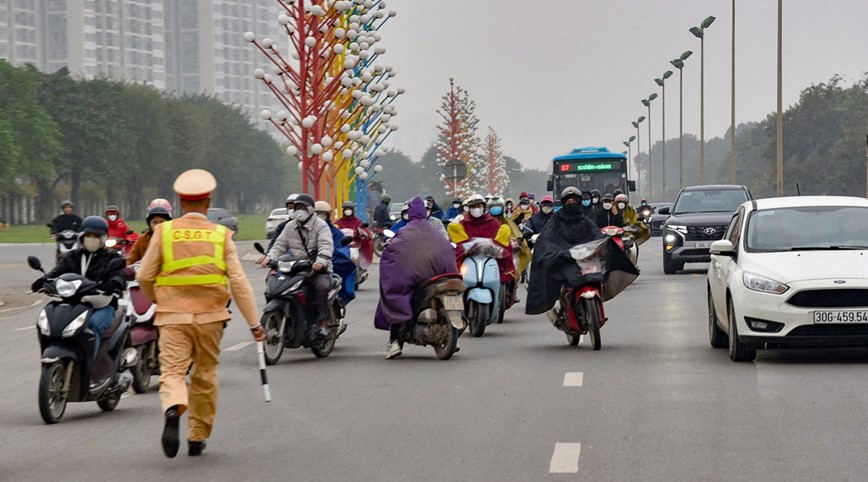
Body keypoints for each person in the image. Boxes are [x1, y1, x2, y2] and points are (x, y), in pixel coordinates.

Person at [137, 169, 264, 458]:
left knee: (172, 372)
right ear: (207, 203)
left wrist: (161, 299)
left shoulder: (163, 232)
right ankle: (197, 436)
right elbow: (239, 284)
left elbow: (145, 275)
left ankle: (173, 406)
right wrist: (254, 323)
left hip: (172, 318)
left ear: (181, 204)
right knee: (205, 374)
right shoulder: (221, 236)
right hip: (210, 318)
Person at [526, 187, 638, 315]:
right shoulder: (556, 220)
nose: (571, 204)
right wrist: (556, 252)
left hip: (584, 258)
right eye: (568, 202)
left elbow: (595, 233)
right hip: (565, 259)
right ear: (563, 203)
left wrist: (603, 242)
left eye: (574, 201)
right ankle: (564, 307)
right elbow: (546, 238)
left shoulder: (584, 219)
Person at [375, 197, 458, 359]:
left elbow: (393, 250)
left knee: (396, 296)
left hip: (416, 278)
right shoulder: (431, 229)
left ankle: (394, 342)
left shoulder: (408, 230)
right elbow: (446, 247)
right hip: (440, 275)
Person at [32, 216, 126, 355]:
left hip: (102, 305)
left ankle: (91, 366)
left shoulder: (112, 257)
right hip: (74, 304)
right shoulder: (72, 256)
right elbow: (57, 272)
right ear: (81, 237)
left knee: (93, 324)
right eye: (88, 235)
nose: (91, 239)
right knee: (48, 321)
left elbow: (120, 275)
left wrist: (113, 283)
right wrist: (43, 280)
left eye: (96, 236)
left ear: (103, 238)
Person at [262, 194, 334, 342]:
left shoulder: (321, 225)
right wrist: (268, 258)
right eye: (296, 208)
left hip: (317, 269)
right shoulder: (290, 226)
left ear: (311, 210)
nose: (299, 211)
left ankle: (321, 323)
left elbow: (326, 245)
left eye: (302, 207)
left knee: (320, 286)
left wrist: (321, 261)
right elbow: (279, 245)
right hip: (295, 268)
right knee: (274, 282)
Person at [448, 195, 515, 283]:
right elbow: (456, 247)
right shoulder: (461, 225)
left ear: (484, 207)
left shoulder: (495, 224)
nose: (476, 209)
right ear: (469, 208)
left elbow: (503, 248)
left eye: (479, 206)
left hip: (491, 263)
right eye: (473, 207)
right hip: (468, 265)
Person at [488, 196, 531, 302]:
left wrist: (520, 241)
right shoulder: (484, 222)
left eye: (498, 208)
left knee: (513, 270)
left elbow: (516, 234)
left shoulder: (508, 223)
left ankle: (514, 290)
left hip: (505, 254)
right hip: (487, 254)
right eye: (493, 208)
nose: (495, 211)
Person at [315, 200, 356, 306]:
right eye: (316, 214)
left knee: (323, 287)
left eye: (322, 214)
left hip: (326, 265)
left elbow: (341, 248)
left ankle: (324, 315)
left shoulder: (335, 232)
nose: (319, 217)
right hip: (307, 264)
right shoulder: (304, 229)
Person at [127, 199, 173, 265]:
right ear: (149, 224)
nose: (158, 226)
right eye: (154, 222)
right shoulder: (142, 240)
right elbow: (131, 261)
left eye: (162, 222)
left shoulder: (174, 238)